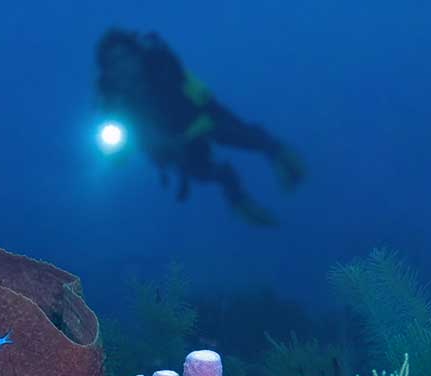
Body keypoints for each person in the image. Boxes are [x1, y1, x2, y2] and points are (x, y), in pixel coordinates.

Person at [95, 28, 305, 227]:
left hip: (198, 121)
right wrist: (116, 149)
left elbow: (200, 101)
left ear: (137, 55)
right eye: (114, 63)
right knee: (200, 172)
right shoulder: (112, 101)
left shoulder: (162, 71)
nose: (123, 67)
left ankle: (281, 154)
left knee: (235, 134)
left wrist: (190, 130)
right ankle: (240, 201)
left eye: (126, 57)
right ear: (108, 71)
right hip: (169, 147)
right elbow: (117, 154)